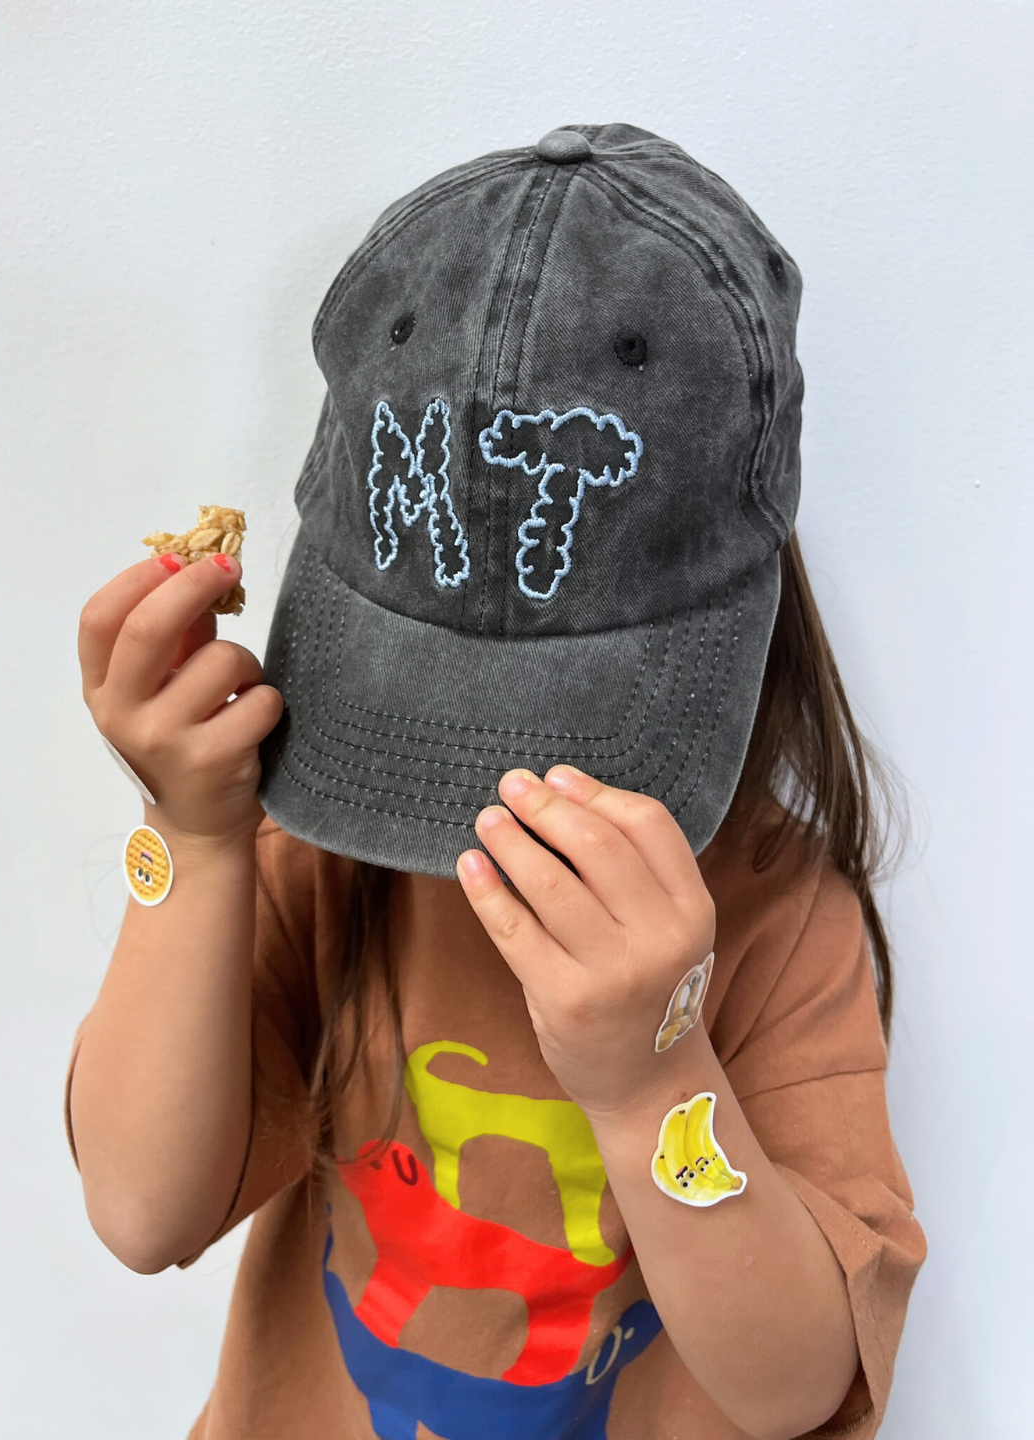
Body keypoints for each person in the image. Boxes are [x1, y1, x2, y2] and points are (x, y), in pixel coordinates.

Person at [66, 125, 926, 1440]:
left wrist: (650, 1082)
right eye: (433, 702)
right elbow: (140, 1211)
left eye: (574, 721)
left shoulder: (777, 923)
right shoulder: (325, 848)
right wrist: (185, 839)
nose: (491, 793)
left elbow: (802, 1389)